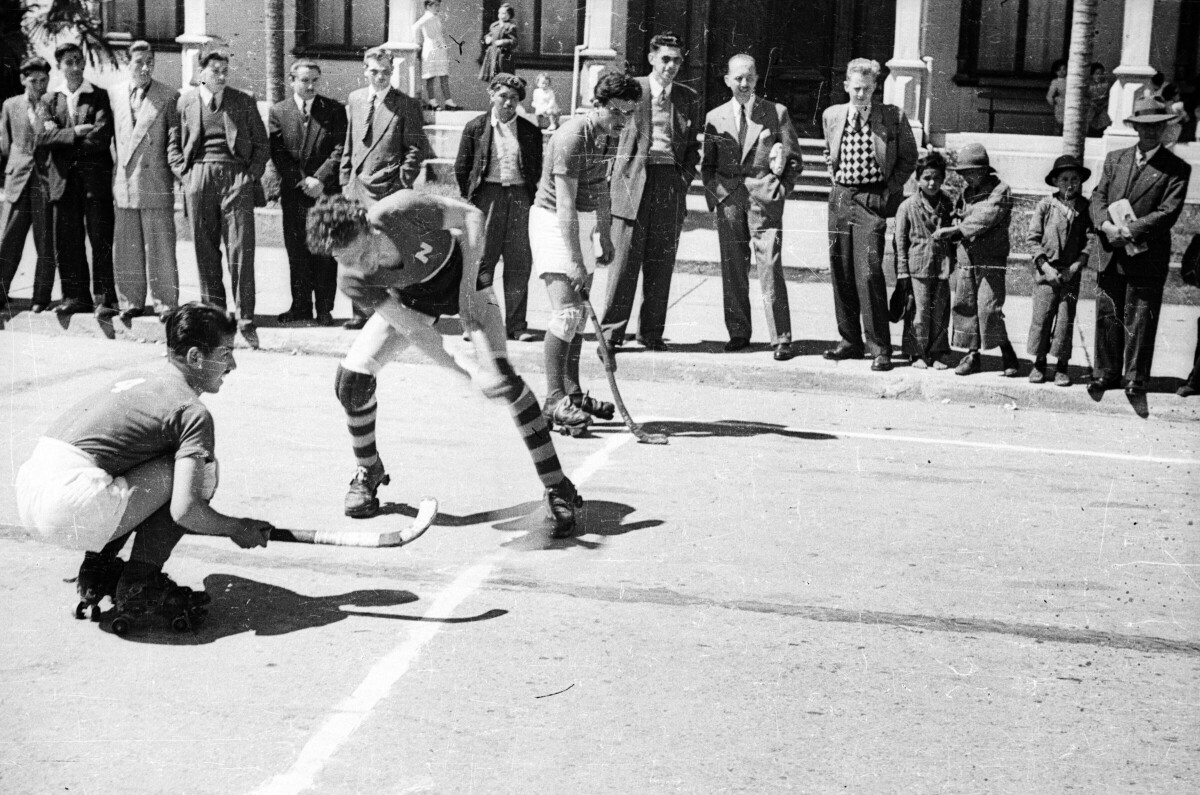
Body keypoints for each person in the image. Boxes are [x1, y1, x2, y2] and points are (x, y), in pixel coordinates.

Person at [305, 192, 584, 537]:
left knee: (505, 382)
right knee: (352, 382)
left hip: (462, 276)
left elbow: (472, 216)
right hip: (413, 301)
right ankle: (369, 470)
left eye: (364, 253)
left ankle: (558, 487)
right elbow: (417, 332)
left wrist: (467, 289)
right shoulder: (352, 279)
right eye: (347, 260)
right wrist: (469, 373)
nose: (362, 267)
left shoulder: (402, 211)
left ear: (368, 227)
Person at [14, 303, 272, 622]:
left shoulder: (139, 378)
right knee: (200, 474)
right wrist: (236, 527)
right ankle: (140, 584)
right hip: (73, 505)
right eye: (225, 353)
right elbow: (185, 510)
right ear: (195, 357)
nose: (232, 364)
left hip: (30, 495)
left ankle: (97, 569)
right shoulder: (191, 412)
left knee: (139, 460)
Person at [529, 67, 640, 436]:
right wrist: (576, 259)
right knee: (565, 313)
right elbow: (564, 205)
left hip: (585, 220)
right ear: (600, 104)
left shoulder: (611, 132)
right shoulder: (571, 135)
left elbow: (603, 191)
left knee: (577, 317)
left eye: (631, 113)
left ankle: (573, 395)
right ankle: (553, 399)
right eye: (619, 111)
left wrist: (605, 237)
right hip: (554, 222)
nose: (625, 120)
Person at [600, 32, 702, 353]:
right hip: (631, 183)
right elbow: (609, 136)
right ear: (651, 58)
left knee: (661, 261)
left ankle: (652, 333)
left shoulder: (687, 97)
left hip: (668, 183)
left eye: (677, 60)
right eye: (665, 59)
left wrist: (681, 182)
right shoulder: (634, 89)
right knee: (624, 261)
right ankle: (612, 333)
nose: (671, 66)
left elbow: (692, 150)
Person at [1087, 96, 1191, 397]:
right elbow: (1098, 198)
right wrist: (1106, 226)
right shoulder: (1115, 159)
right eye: (1144, 126)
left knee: (1140, 316)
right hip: (1110, 250)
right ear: (1134, 126)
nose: (1150, 132)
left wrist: (1129, 231)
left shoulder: (1176, 169)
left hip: (1147, 254)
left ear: (1165, 129)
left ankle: (1135, 377)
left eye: (1156, 126)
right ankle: (1105, 372)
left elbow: (1167, 212)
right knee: (1108, 312)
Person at [821, 58, 919, 371]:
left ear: (875, 87)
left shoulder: (891, 116)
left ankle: (879, 348)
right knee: (841, 268)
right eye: (855, 88)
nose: (861, 94)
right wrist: (832, 175)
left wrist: (890, 189)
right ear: (846, 85)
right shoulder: (833, 115)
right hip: (840, 198)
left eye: (867, 88)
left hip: (872, 198)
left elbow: (909, 158)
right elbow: (829, 151)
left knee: (869, 270)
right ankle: (849, 341)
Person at [702, 54, 802, 361]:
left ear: (757, 79)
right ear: (727, 80)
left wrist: (778, 189)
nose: (744, 84)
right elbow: (708, 164)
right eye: (738, 78)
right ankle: (738, 332)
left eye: (750, 78)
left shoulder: (775, 113)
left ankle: (780, 337)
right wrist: (716, 196)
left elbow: (794, 159)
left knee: (769, 265)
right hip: (730, 199)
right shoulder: (714, 117)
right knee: (733, 267)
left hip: (764, 199)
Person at [168, 51, 269, 349]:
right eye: (215, 70)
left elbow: (262, 144)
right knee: (205, 248)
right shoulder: (185, 102)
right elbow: (173, 143)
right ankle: (214, 313)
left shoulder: (242, 100)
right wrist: (185, 175)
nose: (222, 76)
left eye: (226, 70)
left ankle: (246, 316)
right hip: (199, 176)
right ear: (201, 73)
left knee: (241, 247)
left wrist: (251, 174)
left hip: (235, 176)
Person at [340, 46, 430, 329]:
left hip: (386, 189)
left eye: (385, 72)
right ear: (365, 71)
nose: (379, 77)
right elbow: (350, 142)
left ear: (393, 72)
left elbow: (416, 149)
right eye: (374, 71)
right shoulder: (355, 99)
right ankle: (360, 312)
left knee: (386, 252)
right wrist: (345, 180)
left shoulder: (405, 104)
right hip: (357, 187)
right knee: (356, 247)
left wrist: (401, 183)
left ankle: (386, 314)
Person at [454, 73, 542, 342]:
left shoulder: (530, 132)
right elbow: (462, 166)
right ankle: (478, 322)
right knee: (482, 260)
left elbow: (535, 169)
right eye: (503, 96)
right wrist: (472, 196)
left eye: (514, 99)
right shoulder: (476, 127)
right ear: (492, 95)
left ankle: (516, 325)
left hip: (518, 199)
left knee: (518, 261)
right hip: (487, 197)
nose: (508, 102)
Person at [0, 58, 88, 315]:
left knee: (45, 242)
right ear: (22, 80)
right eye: (33, 80)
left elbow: (57, 138)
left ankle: (41, 297)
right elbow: (5, 144)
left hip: (45, 179)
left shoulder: (54, 104)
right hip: (17, 178)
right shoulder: (10, 105)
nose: (39, 85)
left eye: (43, 80)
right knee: (9, 238)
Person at [269, 59, 347, 326]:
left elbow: (339, 148)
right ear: (292, 81)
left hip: (325, 192)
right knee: (297, 251)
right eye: (304, 80)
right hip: (294, 193)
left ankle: (324, 309)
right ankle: (300, 307)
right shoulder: (279, 111)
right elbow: (277, 152)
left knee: (324, 252)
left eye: (315, 80)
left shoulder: (334, 110)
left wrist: (320, 179)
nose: (310, 85)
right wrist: (302, 181)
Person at [934, 142, 1019, 377]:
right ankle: (972, 355)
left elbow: (985, 218)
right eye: (964, 174)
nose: (968, 178)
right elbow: (960, 214)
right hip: (966, 258)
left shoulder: (1001, 190)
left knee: (988, 308)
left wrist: (956, 230)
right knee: (966, 305)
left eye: (971, 172)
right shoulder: (966, 193)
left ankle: (1006, 350)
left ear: (984, 170)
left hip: (991, 259)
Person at [110, 41, 181, 323]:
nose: (145, 66)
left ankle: (165, 303)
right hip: (124, 181)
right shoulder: (114, 94)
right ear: (127, 63)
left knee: (160, 246)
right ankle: (130, 301)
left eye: (150, 61)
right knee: (126, 245)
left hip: (155, 180)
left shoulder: (168, 95)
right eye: (139, 61)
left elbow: (173, 142)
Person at [48, 42, 117, 318]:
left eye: (79, 61)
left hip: (94, 181)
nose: (75, 67)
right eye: (69, 62)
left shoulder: (98, 96)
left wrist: (63, 136)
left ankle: (104, 298)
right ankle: (75, 296)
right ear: (60, 66)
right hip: (64, 182)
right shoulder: (49, 101)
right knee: (68, 239)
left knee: (100, 238)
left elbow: (101, 136)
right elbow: (42, 137)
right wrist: (76, 131)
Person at [1025, 154, 1093, 387]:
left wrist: (1076, 265)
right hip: (1046, 272)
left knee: (1065, 319)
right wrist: (1044, 265)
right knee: (1042, 318)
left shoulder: (1085, 208)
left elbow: (1090, 240)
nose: (1070, 184)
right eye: (1064, 179)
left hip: (1070, 274)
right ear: (1055, 181)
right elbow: (1032, 239)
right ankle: (1039, 363)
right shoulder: (1046, 206)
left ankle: (1062, 365)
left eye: (1075, 179)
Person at [894, 150, 955, 370]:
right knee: (918, 312)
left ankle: (937, 351)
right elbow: (900, 241)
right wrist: (902, 272)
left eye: (937, 178)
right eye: (927, 178)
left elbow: (955, 234)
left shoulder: (948, 204)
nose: (932, 183)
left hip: (942, 266)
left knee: (939, 310)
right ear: (918, 179)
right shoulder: (908, 206)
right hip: (917, 267)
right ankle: (917, 353)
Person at [414, 0, 459, 110]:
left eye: (438, 5)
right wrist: (418, 44)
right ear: (428, 6)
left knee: (443, 75)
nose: (438, 8)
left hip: (439, 49)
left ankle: (448, 101)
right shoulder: (428, 17)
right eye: (435, 5)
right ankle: (433, 102)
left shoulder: (435, 17)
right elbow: (415, 27)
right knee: (431, 76)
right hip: (431, 49)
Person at [479, 4, 517, 84]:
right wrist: (487, 38)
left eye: (504, 13)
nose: (500, 15)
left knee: (503, 74)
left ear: (509, 15)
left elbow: (514, 41)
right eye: (499, 13)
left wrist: (503, 42)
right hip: (492, 53)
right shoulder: (494, 25)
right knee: (493, 73)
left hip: (503, 54)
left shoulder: (511, 27)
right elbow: (489, 34)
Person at [1086, 62, 1111, 138]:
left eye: (1101, 73)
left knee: (1103, 126)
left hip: (1103, 108)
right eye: (1096, 74)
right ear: (1092, 74)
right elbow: (1085, 97)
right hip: (1091, 108)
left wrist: (1104, 105)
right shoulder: (1088, 84)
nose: (1099, 76)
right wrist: (1092, 104)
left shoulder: (1106, 83)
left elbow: (1110, 96)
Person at [1046, 59, 1068, 131]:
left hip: (1070, 102)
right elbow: (1049, 96)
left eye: (1064, 69)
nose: (1061, 72)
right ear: (1055, 71)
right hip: (1061, 104)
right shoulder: (1055, 82)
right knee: (1059, 124)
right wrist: (1053, 103)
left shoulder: (1070, 80)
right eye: (1059, 70)